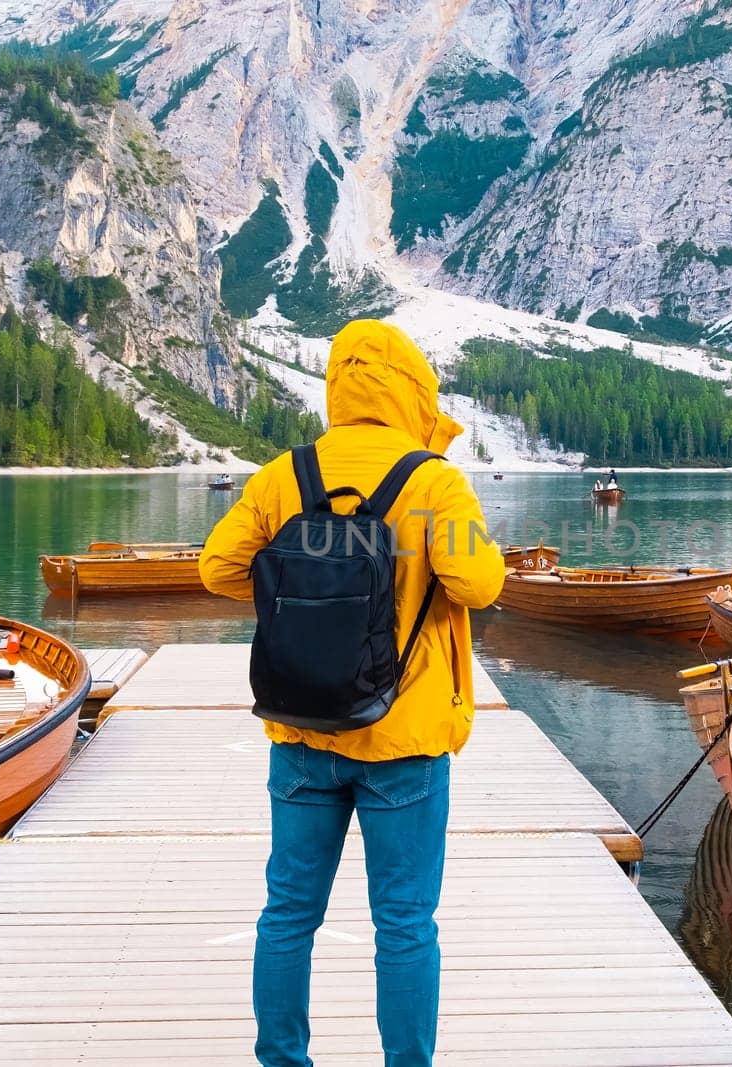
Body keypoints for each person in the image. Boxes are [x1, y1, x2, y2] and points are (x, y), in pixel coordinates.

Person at [199, 320, 507, 1067]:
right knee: (404, 923)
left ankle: (282, 1059)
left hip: (303, 731)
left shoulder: (284, 475)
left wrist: (294, 583)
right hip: (405, 738)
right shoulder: (434, 480)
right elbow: (478, 582)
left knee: (287, 915)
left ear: (339, 385)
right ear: (412, 391)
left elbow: (218, 568)